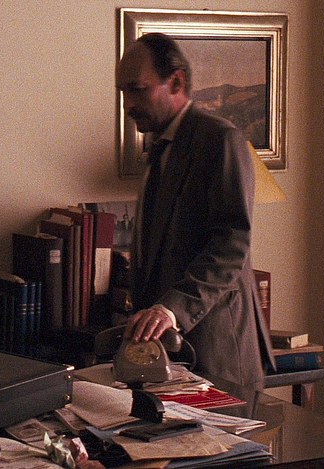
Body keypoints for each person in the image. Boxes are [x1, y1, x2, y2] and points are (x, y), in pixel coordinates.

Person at [116, 33, 274, 389]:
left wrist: (171, 309)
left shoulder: (220, 139)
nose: (128, 104)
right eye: (123, 92)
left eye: (137, 90)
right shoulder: (160, 147)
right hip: (167, 356)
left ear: (176, 82)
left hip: (215, 353)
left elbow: (231, 243)